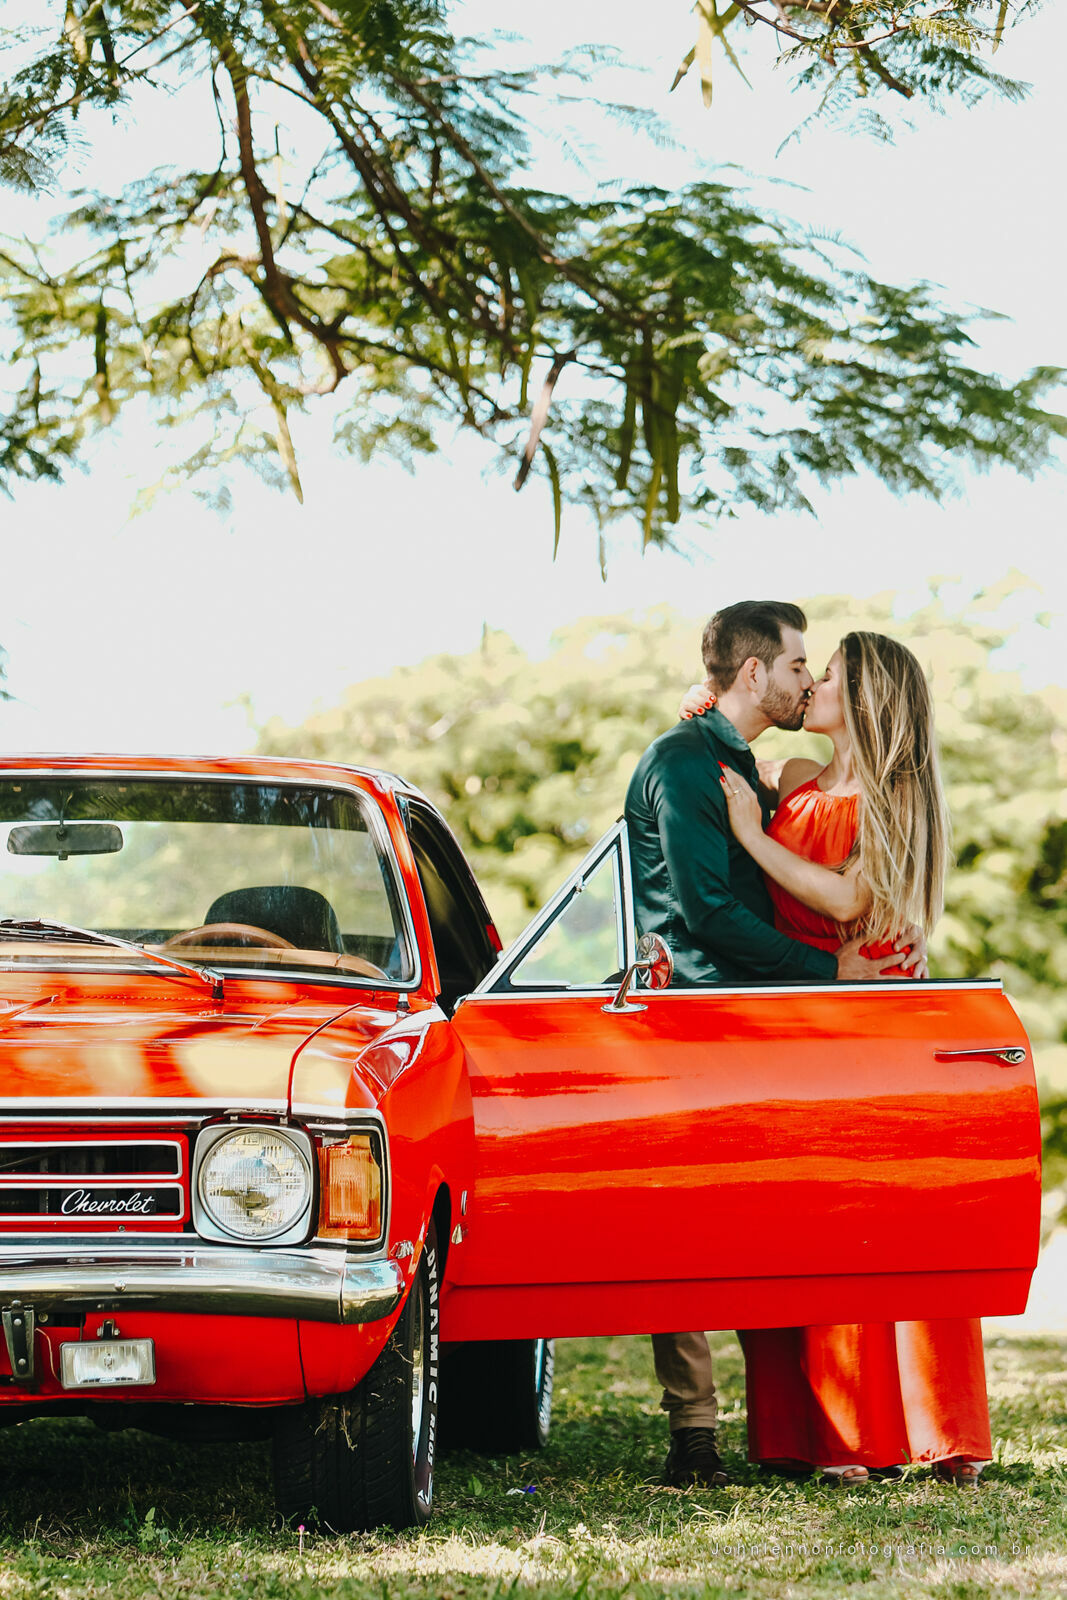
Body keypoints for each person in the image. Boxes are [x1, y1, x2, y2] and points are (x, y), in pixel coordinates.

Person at [625, 601, 924, 1490]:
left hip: (768, 1022)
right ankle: (694, 1437)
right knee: (681, 1226)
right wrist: (829, 969)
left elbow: (782, 866)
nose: (808, 679)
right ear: (754, 674)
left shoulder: (741, 764)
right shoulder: (685, 762)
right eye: (800, 665)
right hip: (696, 1016)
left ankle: (817, 1424)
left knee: (778, 1224)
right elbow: (707, 914)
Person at [700, 630, 990, 1487]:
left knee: (899, 1234)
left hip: (877, 1028)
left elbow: (851, 897)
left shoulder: (896, 795)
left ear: (863, 699)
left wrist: (753, 838)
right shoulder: (793, 781)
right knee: (812, 1226)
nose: (814, 685)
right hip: (802, 1023)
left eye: (827, 675)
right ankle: (827, 1432)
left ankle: (934, 1433)